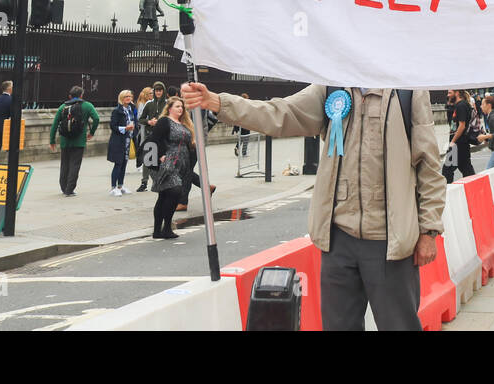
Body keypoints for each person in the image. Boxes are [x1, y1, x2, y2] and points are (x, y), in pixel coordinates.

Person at [182, 82, 445, 331]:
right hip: (338, 240)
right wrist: (218, 102)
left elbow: (429, 165)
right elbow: (281, 113)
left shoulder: (407, 91)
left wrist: (428, 231)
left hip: (390, 242)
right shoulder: (333, 86)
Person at [148, 96, 200, 239]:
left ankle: (158, 230)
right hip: (168, 164)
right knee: (175, 191)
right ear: (169, 108)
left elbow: (189, 143)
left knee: (164, 195)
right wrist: (160, 156)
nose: (180, 109)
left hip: (182, 164)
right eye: (177, 106)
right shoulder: (165, 121)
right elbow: (155, 139)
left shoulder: (184, 123)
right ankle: (165, 228)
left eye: (182, 107)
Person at [48, 86, 99, 196]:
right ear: (81, 95)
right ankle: (69, 189)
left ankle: (63, 187)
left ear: (70, 96)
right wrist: (92, 132)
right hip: (79, 140)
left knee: (64, 164)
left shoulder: (63, 106)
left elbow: (55, 124)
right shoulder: (87, 105)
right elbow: (96, 118)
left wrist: (52, 140)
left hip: (65, 140)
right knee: (75, 165)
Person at [136, 83, 167, 192]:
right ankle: (144, 182)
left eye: (160, 90)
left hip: (164, 136)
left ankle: (161, 182)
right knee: (147, 159)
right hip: (151, 135)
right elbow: (141, 119)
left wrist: (161, 122)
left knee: (162, 159)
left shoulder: (168, 104)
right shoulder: (149, 104)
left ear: (163, 91)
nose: (158, 92)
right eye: (156, 90)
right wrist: (149, 122)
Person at [107, 90, 137, 196]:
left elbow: (135, 121)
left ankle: (120, 185)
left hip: (128, 139)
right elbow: (113, 126)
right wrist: (125, 128)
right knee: (118, 163)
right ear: (121, 98)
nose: (128, 98)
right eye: (126, 97)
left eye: (130, 96)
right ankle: (113, 187)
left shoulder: (131, 109)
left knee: (124, 163)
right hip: (118, 140)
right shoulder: (117, 111)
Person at [444, 89, 475, 183]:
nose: (448, 95)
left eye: (450, 93)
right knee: (466, 169)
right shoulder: (459, 105)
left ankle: (447, 193)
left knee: (447, 170)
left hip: (457, 144)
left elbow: (462, 126)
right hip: (462, 143)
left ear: (457, 93)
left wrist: (452, 142)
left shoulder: (461, 106)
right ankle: (475, 189)